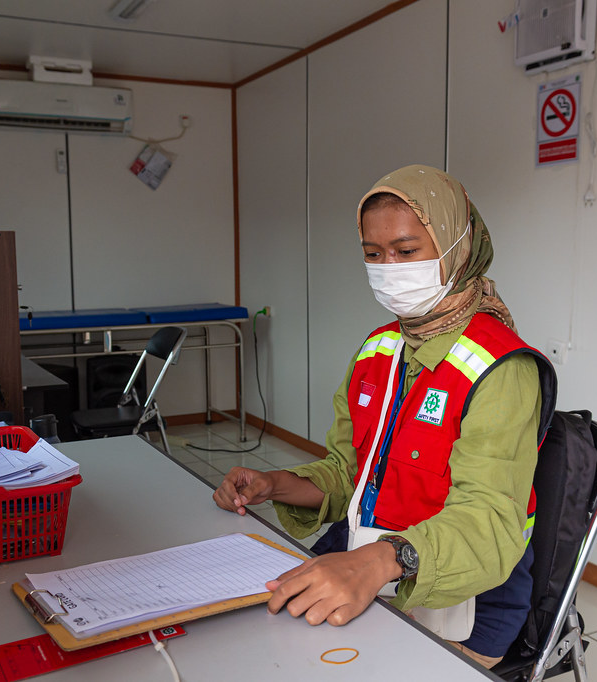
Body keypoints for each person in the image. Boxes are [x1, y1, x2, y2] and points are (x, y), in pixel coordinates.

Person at [212, 164, 556, 668]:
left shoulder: (501, 368)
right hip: (365, 555)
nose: (389, 268)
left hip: (468, 596)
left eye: (407, 251)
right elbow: (352, 473)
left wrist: (380, 562)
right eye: (374, 254)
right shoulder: (380, 349)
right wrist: (276, 484)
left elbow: (487, 522)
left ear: (457, 248)